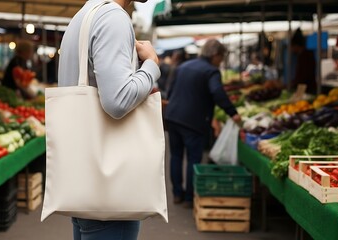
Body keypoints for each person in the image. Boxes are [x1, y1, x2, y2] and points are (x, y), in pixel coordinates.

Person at [57, 0, 160, 239]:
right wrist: (151, 66)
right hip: (110, 190)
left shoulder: (82, 17)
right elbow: (117, 100)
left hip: (84, 181)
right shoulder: (113, 17)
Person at [164, 39, 241, 208]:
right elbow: (217, 92)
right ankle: (189, 198)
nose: (221, 62)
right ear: (215, 55)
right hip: (194, 121)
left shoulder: (183, 66)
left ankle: (177, 193)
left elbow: (170, 91)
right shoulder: (211, 71)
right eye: (221, 58)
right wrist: (232, 113)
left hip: (173, 116)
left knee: (176, 156)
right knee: (194, 159)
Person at [290, 28, 316, 94]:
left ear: (296, 45)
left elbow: (303, 76)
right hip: (307, 88)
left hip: (307, 89)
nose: (291, 49)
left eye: (292, 46)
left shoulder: (305, 56)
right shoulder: (305, 55)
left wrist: (294, 84)